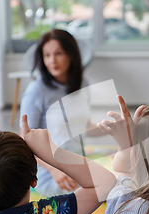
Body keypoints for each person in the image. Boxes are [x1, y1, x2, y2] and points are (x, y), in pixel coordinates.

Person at [20, 29, 100, 197]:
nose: (52, 61)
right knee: (103, 189)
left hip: (79, 164)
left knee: (120, 178)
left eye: (58, 53)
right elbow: (25, 142)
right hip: (51, 173)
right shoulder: (36, 91)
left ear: (71, 55)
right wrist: (53, 170)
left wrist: (115, 128)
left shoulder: (82, 84)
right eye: (46, 55)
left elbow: (83, 125)